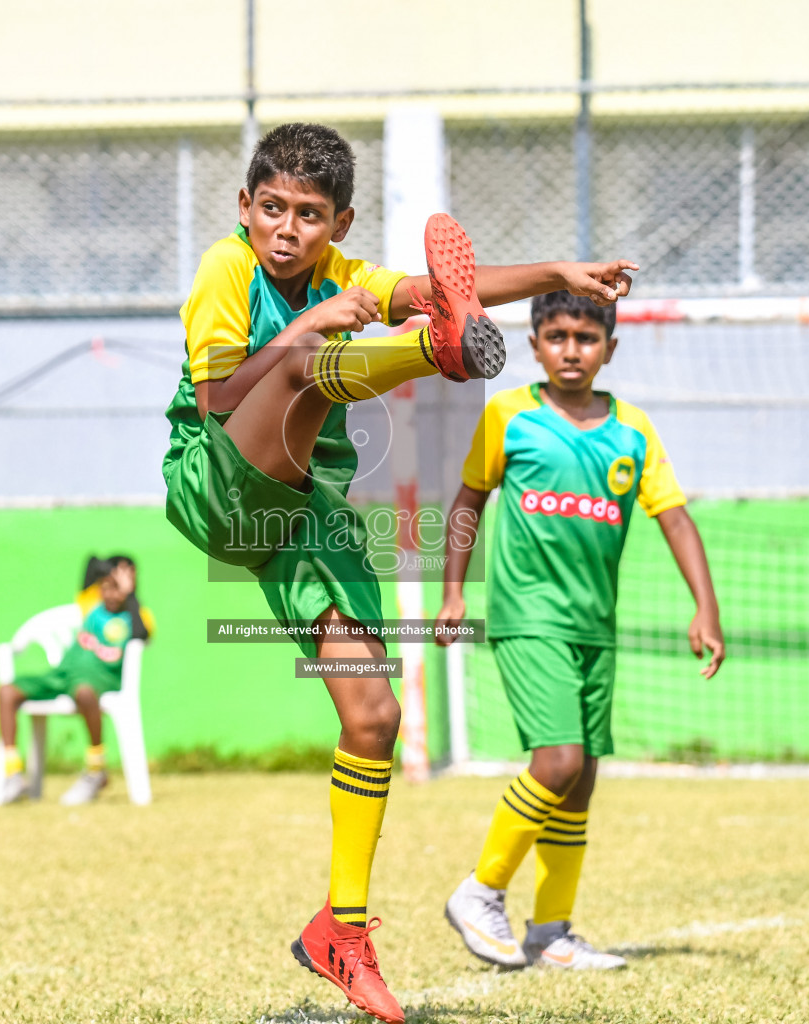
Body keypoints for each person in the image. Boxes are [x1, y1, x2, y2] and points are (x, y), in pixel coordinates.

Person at [160, 121, 638, 1022]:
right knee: (306, 358)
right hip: (220, 475)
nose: (288, 229)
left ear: (339, 223)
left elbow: (444, 288)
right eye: (272, 209)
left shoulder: (344, 275)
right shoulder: (228, 270)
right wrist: (319, 324)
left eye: (310, 215)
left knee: (375, 715)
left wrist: (554, 275)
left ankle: (340, 930)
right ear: (245, 208)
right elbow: (220, 396)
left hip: (309, 511)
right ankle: (439, 352)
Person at [438, 291, 726, 971]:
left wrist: (705, 607)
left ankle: (551, 934)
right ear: (536, 343)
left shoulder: (634, 430)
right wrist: (453, 591)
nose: (572, 349)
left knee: (582, 778)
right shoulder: (509, 416)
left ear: (611, 348)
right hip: (527, 615)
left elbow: (675, 518)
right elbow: (468, 501)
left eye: (587, 337)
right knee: (558, 761)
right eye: (559, 335)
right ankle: (479, 891)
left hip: (595, 624)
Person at [0, 555, 153, 805]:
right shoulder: (91, 606)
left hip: (101, 679)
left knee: (84, 693)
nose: (113, 593)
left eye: (121, 587)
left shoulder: (137, 615)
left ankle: (96, 768)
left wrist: (130, 594)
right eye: (109, 585)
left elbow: (142, 635)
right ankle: (13, 772)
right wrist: (109, 568)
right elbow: (90, 567)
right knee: (6, 692)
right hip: (63, 674)